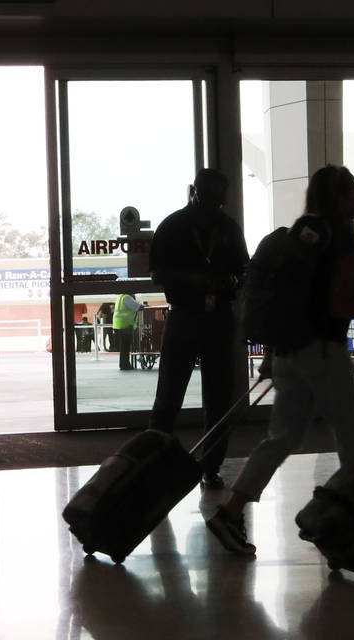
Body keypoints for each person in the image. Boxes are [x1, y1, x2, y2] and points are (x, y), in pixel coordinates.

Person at [205, 164, 354, 555]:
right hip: (323, 353)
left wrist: (271, 353)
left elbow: (286, 296)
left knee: (280, 438)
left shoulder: (300, 234)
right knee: (353, 438)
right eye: (352, 191)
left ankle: (230, 511)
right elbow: (338, 306)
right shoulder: (343, 241)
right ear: (340, 198)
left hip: (288, 352)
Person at [148, 168, 250, 489]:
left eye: (218, 199)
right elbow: (157, 273)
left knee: (219, 396)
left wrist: (232, 280)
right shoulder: (173, 226)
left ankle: (211, 465)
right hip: (185, 315)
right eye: (208, 197)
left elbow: (243, 269)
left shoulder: (229, 228)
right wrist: (192, 279)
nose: (214, 205)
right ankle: (153, 462)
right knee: (169, 394)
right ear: (195, 191)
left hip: (220, 315)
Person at [112, 292, 143, 370]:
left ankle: (124, 364)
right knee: (125, 347)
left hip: (119, 324)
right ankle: (124, 365)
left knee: (124, 347)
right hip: (124, 325)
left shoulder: (120, 296)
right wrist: (144, 306)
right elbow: (137, 307)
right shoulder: (127, 298)